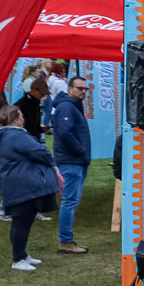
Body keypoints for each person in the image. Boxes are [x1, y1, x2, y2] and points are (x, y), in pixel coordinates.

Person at [0, 105, 60, 271]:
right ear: (15, 120)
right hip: (22, 185)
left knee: (22, 221)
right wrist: (49, 159)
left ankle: (22, 255)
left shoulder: (4, 135)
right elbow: (40, 151)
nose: (23, 119)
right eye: (21, 116)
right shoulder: (16, 135)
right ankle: (18, 259)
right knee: (21, 222)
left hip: (14, 183)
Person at [52, 75, 91, 255]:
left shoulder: (73, 105)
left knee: (71, 201)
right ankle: (65, 241)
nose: (83, 92)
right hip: (71, 161)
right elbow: (65, 133)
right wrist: (80, 150)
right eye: (79, 88)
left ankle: (66, 240)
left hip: (75, 161)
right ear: (70, 89)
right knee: (69, 201)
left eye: (85, 89)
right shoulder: (67, 107)